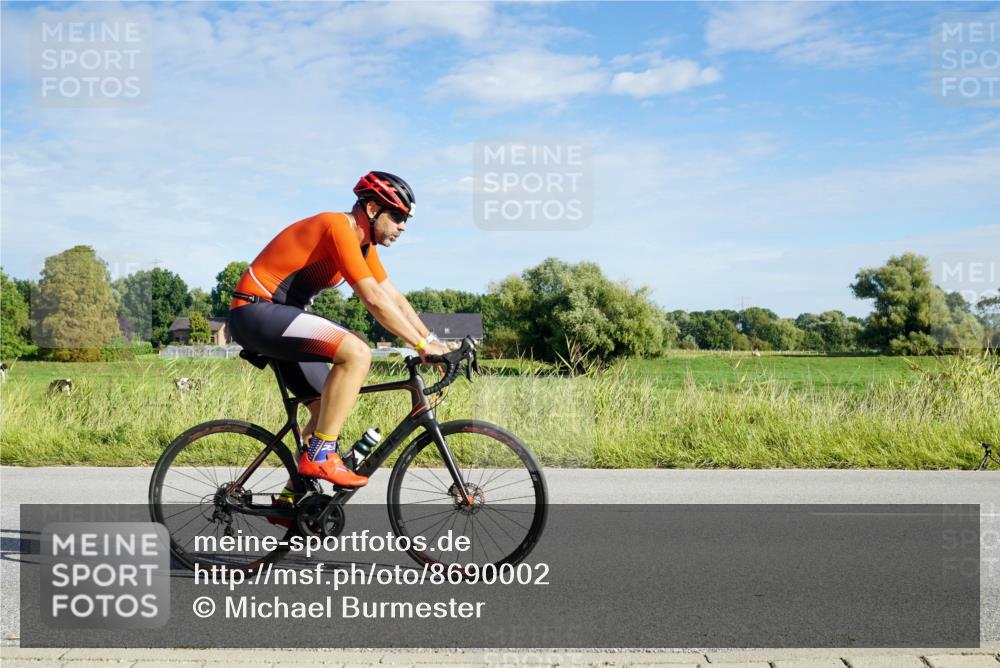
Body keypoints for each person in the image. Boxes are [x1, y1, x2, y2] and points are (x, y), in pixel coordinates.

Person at [228, 171, 449, 489]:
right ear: (372, 209)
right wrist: (419, 345)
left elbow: (391, 296)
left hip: (281, 316)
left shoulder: (364, 245)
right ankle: (320, 456)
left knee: (328, 409)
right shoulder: (337, 227)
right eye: (398, 216)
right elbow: (373, 299)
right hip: (255, 311)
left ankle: (294, 498)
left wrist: (431, 340)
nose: (403, 226)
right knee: (357, 351)